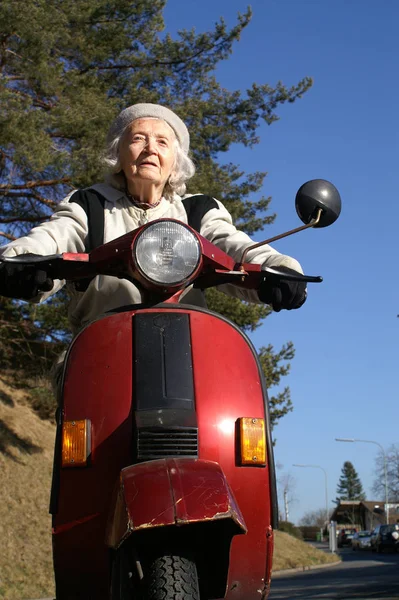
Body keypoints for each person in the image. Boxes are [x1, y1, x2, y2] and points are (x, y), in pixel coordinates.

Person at [0, 103, 306, 335]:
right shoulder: (90, 204)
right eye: (138, 139)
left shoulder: (198, 211)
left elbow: (234, 245)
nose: (150, 149)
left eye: (162, 142)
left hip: (186, 347)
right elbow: (55, 235)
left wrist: (280, 269)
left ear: (176, 162)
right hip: (101, 343)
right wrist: (22, 261)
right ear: (118, 155)